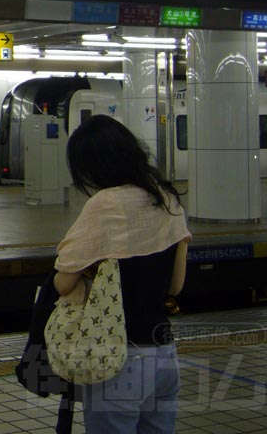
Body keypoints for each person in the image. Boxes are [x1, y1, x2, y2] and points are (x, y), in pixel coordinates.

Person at [53, 115, 191, 434]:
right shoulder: (167, 197)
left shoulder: (106, 203)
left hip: (118, 357)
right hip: (164, 354)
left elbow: (63, 282)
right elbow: (176, 285)